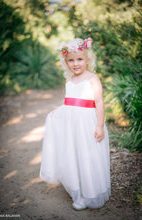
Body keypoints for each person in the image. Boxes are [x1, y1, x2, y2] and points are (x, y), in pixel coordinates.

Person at [40, 38, 111, 210]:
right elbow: (69, 103)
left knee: (87, 156)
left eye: (79, 59)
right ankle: (78, 190)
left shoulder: (92, 79)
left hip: (87, 124)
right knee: (74, 155)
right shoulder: (69, 81)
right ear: (66, 62)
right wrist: (57, 112)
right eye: (71, 60)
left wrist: (100, 126)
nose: (75, 63)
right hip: (72, 127)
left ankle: (90, 193)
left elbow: (99, 102)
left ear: (87, 59)